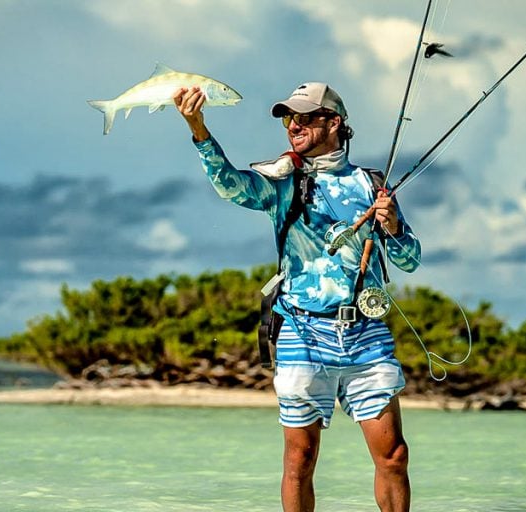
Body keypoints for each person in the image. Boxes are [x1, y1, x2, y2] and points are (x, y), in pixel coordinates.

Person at [173, 82, 421, 512]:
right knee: (300, 460)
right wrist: (198, 127)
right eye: (289, 118)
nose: (294, 126)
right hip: (302, 331)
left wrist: (395, 225)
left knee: (394, 456)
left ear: (334, 122)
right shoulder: (282, 182)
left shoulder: (371, 183)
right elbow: (230, 185)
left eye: (304, 117)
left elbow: (410, 260)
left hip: (366, 335)